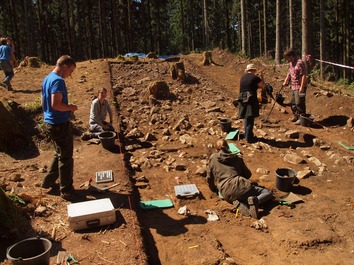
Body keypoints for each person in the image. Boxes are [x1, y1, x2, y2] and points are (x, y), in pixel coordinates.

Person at [41, 55, 79, 201]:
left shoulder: (47, 78)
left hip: (51, 122)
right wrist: (70, 108)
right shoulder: (58, 80)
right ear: (64, 67)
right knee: (66, 157)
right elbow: (55, 104)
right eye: (71, 71)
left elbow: (46, 102)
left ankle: (48, 182)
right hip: (59, 124)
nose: (70, 75)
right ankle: (67, 190)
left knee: (58, 153)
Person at [206, 139, 273, 219]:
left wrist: (214, 189)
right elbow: (248, 175)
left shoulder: (213, 157)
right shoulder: (236, 158)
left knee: (240, 193)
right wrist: (239, 161)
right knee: (267, 193)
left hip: (225, 192)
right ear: (228, 148)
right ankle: (256, 201)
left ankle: (240, 202)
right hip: (240, 185)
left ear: (216, 149)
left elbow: (209, 178)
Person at [238, 64, 265, 143]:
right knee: (250, 117)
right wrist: (262, 76)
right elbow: (263, 86)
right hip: (250, 98)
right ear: (253, 70)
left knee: (246, 117)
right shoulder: (255, 78)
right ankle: (249, 138)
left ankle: (247, 134)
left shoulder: (242, 77)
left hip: (242, 97)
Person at [282, 48, 307, 125]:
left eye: (287, 58)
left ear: (292, 56)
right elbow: (289, 72)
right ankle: (296, 116)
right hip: (293, 86)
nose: (287, 60)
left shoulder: (300, 63)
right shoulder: (290, 63)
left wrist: (302, 87)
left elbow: (304, 75)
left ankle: (301, 118)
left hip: (299, 86)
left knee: (299, 102)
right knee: (292, 103)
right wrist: (286, 80)